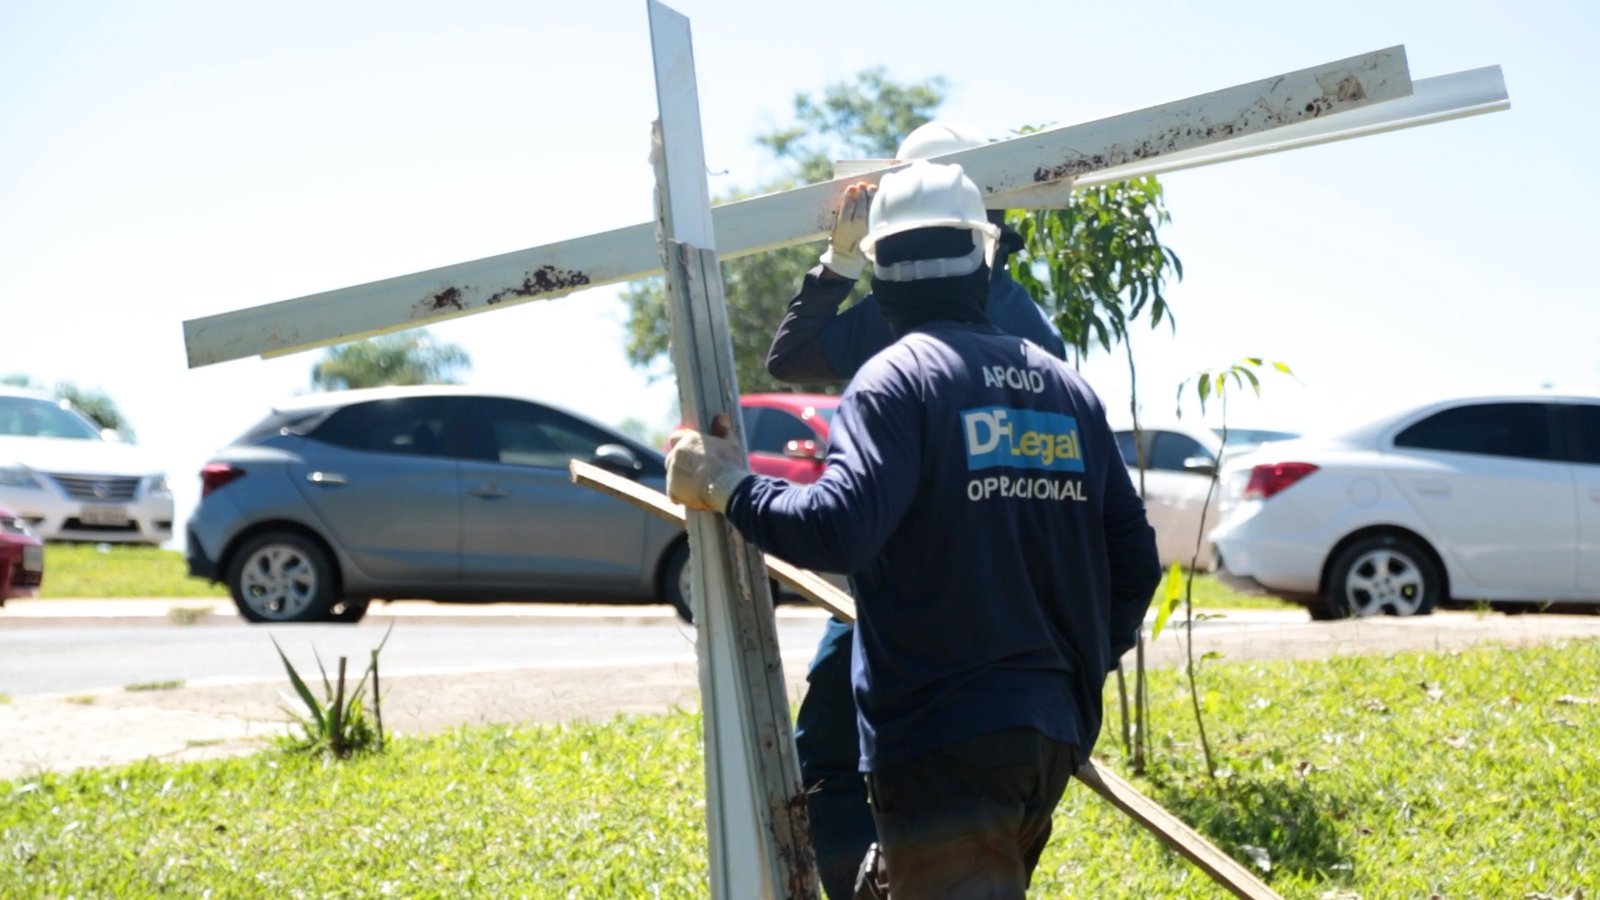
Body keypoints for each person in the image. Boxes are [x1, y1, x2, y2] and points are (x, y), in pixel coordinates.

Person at [666, 160, 1161, 898]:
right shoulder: (1064, 387)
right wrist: (1070, 669)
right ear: (984, 257)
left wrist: (726, 485)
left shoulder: (897, 377)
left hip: (943, 733)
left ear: (883, 275)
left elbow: (838, 529)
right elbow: (1136, 564)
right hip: (1048, 730)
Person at [767, 120, 1071, 900]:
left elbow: (797, 359)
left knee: (850, 762)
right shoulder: (1025, 331)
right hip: (972, 619)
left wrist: (840, 258)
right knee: (846, 759)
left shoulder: (923, 313)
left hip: (918, 599)